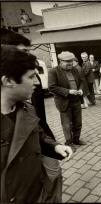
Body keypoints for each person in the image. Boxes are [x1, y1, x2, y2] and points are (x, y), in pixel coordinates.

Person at [0, 45, 73, 203]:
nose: (36, 83)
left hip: (37, 191)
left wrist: (54, 146)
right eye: (31, 77)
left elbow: (38, 135)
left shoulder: (27, 109)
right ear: (8, 81)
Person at [48, 51, 87, 147]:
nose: (70, 63)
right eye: (67, 62)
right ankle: (69, 143)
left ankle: (76, 139)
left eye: (71, 61)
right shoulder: (53, 71)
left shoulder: (75, 70)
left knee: (78, 122)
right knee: (67, 125)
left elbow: (81, 81)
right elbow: (52, 87)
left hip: (76, 101)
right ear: (60, 61)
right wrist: (68, 91)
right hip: (64, 102)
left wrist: (81, 89)